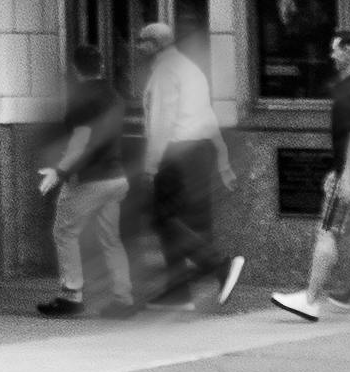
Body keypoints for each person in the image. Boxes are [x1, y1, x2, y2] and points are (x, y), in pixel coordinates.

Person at [274, 29, 350, 322]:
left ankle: (309, 300)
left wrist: (344, 176)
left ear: (347, 51)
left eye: (334, 50)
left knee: (328, 232)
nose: (330, 55)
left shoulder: (347, 91)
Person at [133, 21, 242, 308]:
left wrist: (150, 166)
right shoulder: (190, 69)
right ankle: (177, 290)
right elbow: (208, 117)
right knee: (173, 219)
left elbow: (161, 122)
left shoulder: (166, 73)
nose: (137, 46)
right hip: (196, 153)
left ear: (156, 44)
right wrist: (221, 158)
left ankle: (216, 264)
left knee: (163, 219)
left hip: (174, 153)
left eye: (142, 41)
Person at [32, 50, 132, 317]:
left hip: (90, 179)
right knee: (111, 239)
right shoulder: (115, 97)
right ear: (100, 66)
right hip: (116, 177)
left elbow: (80, 144)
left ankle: (71, 296)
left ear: (75, 70)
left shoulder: (83, 102)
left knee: (65, 232)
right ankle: (123, 299)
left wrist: (58, 172)